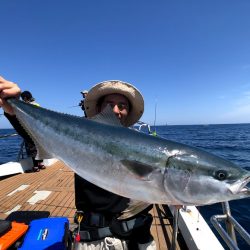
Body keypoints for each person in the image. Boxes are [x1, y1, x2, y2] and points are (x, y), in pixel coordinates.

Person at [0, 77, 156, 250]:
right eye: (109, 104)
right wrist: (13, 109)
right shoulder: (81, 137)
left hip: (141, 238)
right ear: (98, 109)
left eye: (123, 106)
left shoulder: (145, 145)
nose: (116, 110)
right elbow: (42, 136)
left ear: (129, 112)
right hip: (96, 241)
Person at [2, 87, 45, 172]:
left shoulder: (26, 106)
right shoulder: (37, 105)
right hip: (39, 132)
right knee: (40, 147)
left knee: (32, 148)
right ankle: (40, 164)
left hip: (29, 131)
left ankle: (36, 166)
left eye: (22, 98)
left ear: (25, 98)